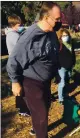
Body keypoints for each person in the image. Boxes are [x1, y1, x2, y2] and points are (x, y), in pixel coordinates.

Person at [6, 2, 62, 138]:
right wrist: (15, 82)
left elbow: (53, 55)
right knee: (41, 115)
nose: (60, 22)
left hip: (45, 81)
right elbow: (13, 60)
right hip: (31, 81)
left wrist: (56, 73)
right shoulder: (29, 37)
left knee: (45, 109)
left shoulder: (52, 34)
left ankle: (36, 128)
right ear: (46, 18)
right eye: (57, 19)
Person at [5, 15, 30, 117]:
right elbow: (22, 47)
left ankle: (22, 108)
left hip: (16, 62)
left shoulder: (13, 34)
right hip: (18, 63)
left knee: (20, 86)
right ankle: (23, 109)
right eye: (20, 25)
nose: (22, 26)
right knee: (20, 86)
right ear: (13, 25)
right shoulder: (13, 35)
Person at [57, 28, 76, 104]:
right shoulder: (59, 45)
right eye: (63, 36)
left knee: (67, 81)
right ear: (60, 37)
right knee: (62, 83)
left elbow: (73, 54)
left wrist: (73, 62)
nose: (65, 37)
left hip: (69, 66)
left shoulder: (70, 44)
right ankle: (61, 99)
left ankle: (65, 94)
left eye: (66, 35)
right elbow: (56, 56)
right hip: (61, 67)